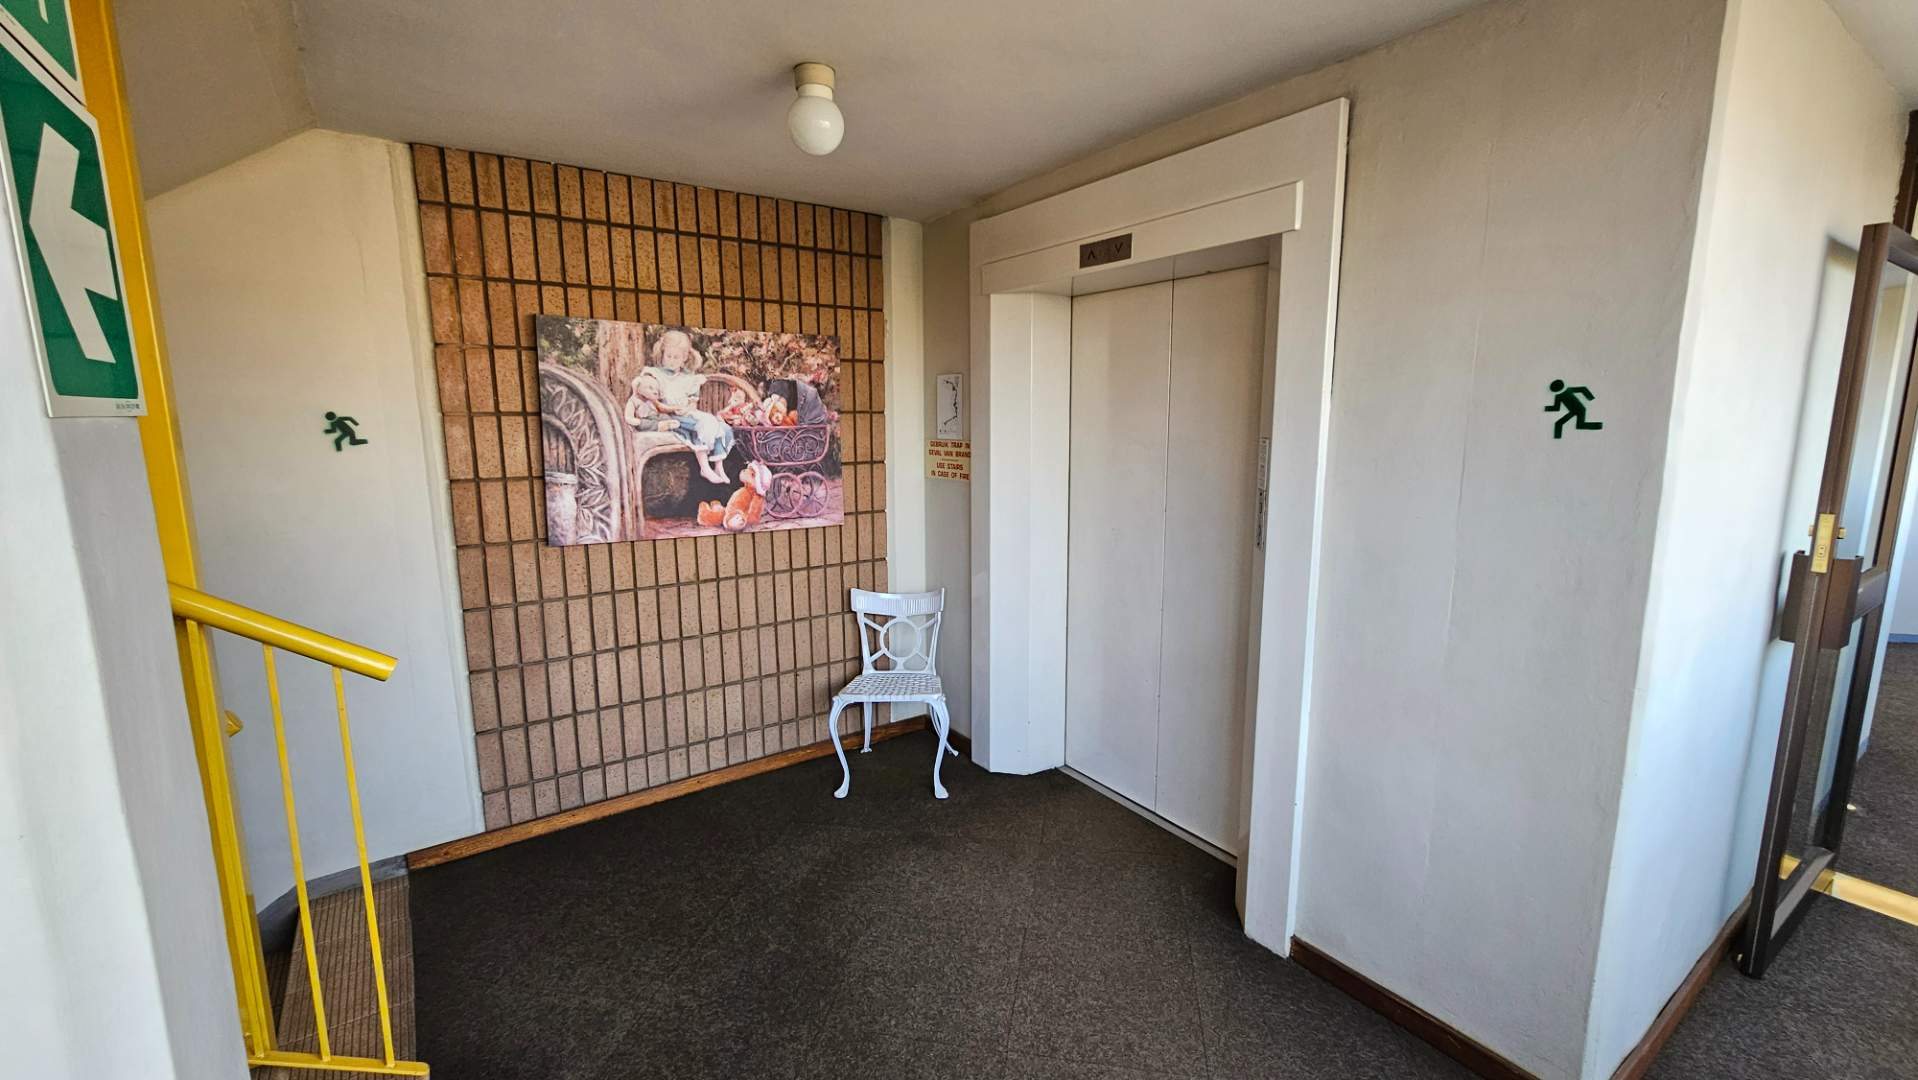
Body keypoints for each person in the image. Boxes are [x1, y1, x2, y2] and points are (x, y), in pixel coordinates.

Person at [624, 330, 737, 483]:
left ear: (684, 358)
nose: (671, 361)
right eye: (668, 356)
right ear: (662, 355)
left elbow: (692, 404)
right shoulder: (655, 374)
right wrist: (671, 409)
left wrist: (688, 409)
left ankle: (718, 466)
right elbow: (652, 400)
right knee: (703, 424)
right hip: (667, 416)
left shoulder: (689, 379)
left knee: (721, 427)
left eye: (676, 357)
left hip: (685, 414)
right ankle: (704, 467)